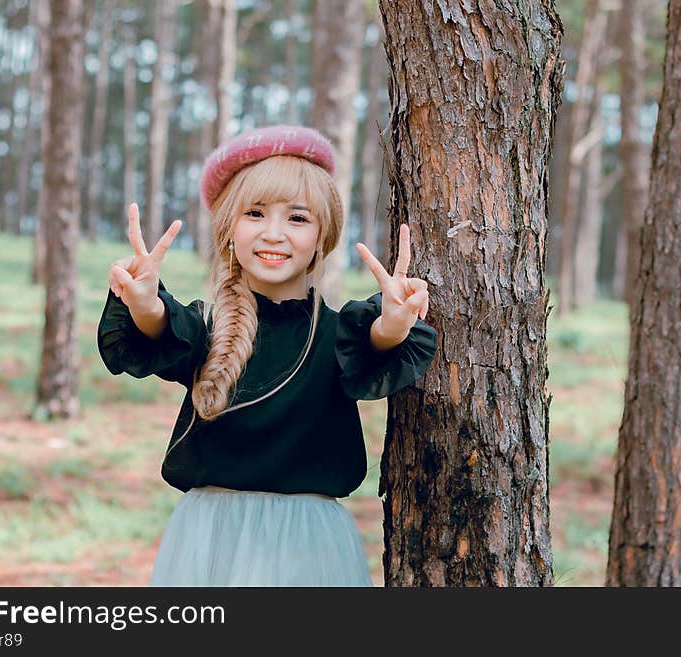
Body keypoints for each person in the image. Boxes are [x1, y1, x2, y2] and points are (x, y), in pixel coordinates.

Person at [97, 124, 437, 586]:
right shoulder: (207, 326)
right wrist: (144, 303)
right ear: (230, 230)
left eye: (297, 218)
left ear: (323, 236)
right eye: (255, 213)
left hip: (311, 547)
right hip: (210, 542)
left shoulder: (340, 333)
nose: (274, 234)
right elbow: (161, 329)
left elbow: (374, 343)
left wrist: (394, 325)